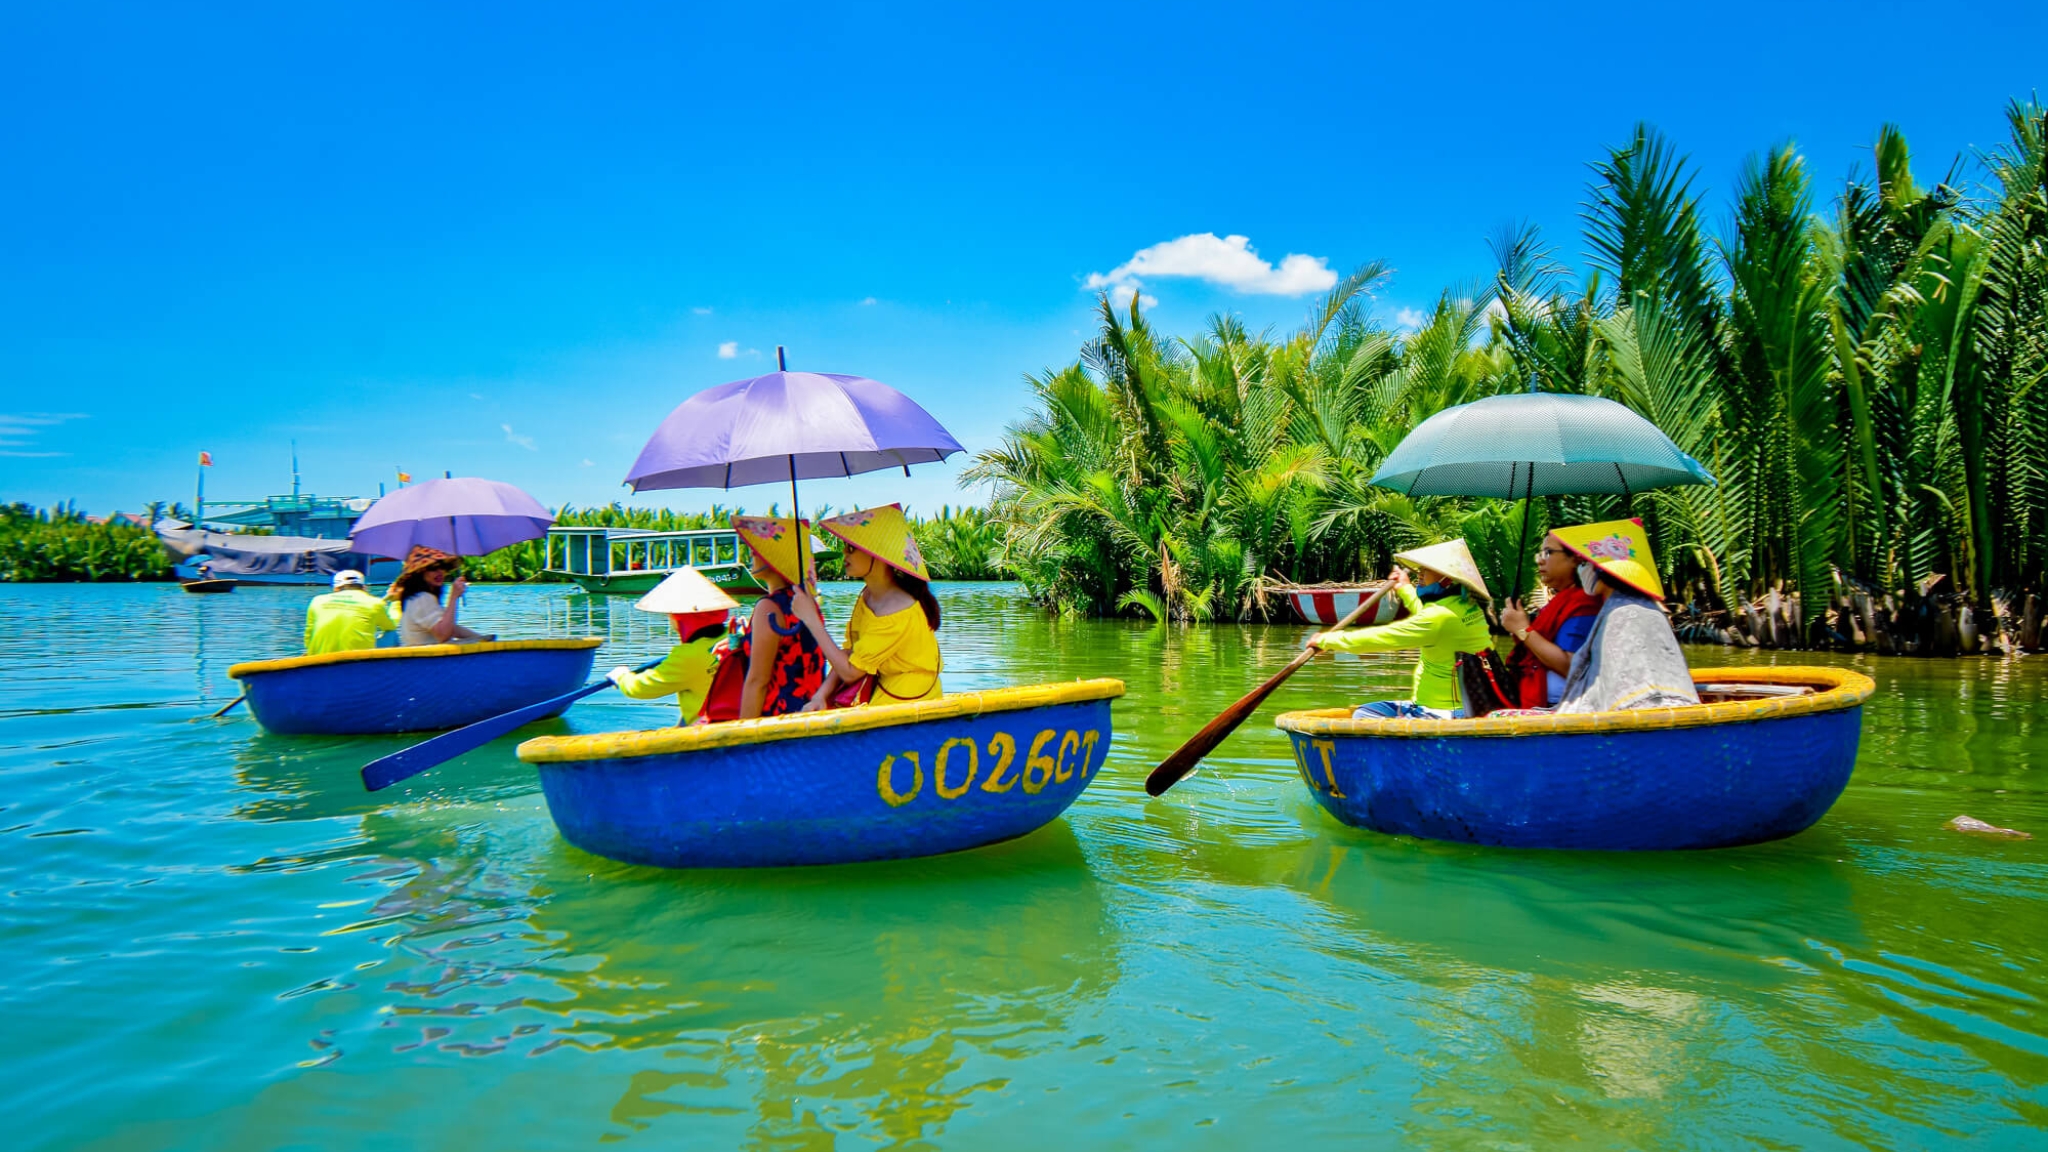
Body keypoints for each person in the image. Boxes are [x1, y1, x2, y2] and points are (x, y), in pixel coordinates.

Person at [1304, 539, 1493, 719]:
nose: (1419, 573)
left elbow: (1383, 638)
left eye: (1426, 569)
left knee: (1363, 715)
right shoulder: (1467, 606)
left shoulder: (1438, 617)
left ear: (1448, 579)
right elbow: (1428, 618)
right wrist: (1404, 588)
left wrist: (1327, 641)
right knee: (1369, 710)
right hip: (1465, 705)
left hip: (1442, 712)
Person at [793, 504, 943, 709]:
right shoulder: (868, 596)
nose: (844, 553)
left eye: (851, 548)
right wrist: (821, 695)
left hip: (910, 701)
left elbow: (850, 671)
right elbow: (850, 653)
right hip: (883, 691)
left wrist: (812, 620)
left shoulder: (898, 610)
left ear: (877, 554)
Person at [1551, 518, 1701, 713]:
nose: (1582, 570)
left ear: (1602, 569)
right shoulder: (1633, 606)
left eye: (1586, 563)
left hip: (1641, 711)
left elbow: (1630, 693)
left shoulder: (1622, 615)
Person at [606, 567, 738, 724]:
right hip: (734, 714)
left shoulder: (687, 656)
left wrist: (622, 677)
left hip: (712, 726)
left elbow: (641, 688)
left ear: (679, 617)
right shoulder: (732, 637)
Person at [726, 515, 827, 718]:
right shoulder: (808, 602)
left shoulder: (769, 607)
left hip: (777, 719)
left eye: (758, 548)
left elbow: (757, 682)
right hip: (812, 715)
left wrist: (743, 732)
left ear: (775, 556)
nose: (752, 553)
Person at [1498, 532, 1603, 708]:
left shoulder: (1584, 603)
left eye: (1548, 553)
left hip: (1563, 707)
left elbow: (1571, 667)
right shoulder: (1560, 601)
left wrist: (1522, 629)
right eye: (1540, 554)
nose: (1540, 560)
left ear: (1575, 559)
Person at [385, 545, 492, 646]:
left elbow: (452, 629)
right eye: (433, 568)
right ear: (420, 573)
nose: (440, 572)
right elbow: (443, 635)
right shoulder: (422, 598)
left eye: (443, 567)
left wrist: (482, 639)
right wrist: (454, 597)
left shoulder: (415, 597)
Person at [303, 569, 398, 655]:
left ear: (335, 588)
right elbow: (391, 626)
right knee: (391, 633)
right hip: (357, 661)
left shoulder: (317, 601)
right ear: (364, 588)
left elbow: (308, 637)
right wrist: (396, 602)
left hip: (319, 659)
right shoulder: (375, 603)